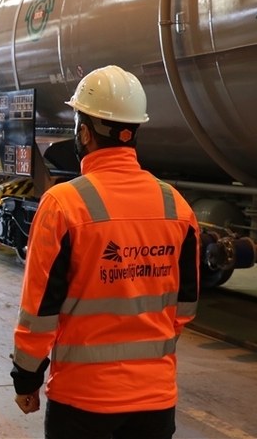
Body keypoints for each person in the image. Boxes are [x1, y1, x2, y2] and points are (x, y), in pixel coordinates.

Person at [11, 65, 200, 439]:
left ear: (84, 132)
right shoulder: (177, 206)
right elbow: (184, 310)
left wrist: (26, 378)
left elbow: (39, 311)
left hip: (82, 399)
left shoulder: (64, 205)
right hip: (156, 400)